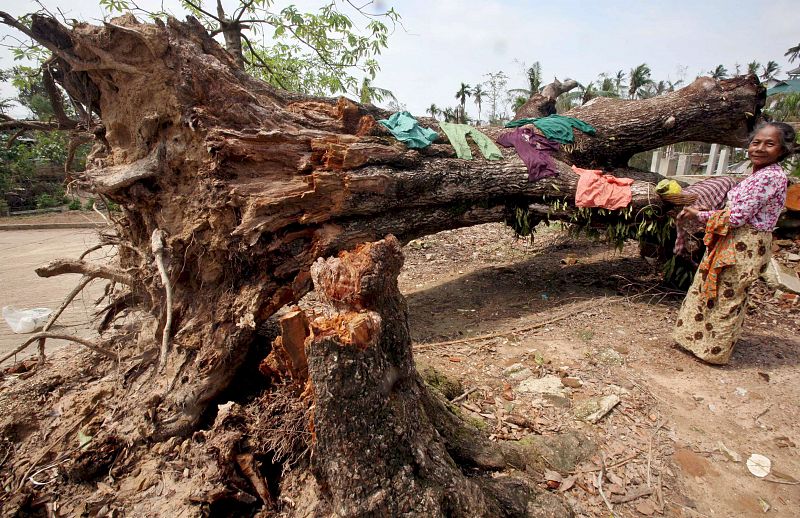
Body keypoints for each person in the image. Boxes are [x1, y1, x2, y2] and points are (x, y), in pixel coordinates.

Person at [672, 121, 796, 364]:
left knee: (727, 295)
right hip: (735, 240)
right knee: (712, 289)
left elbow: (737, 217)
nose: (759, 148)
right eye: (755, 142)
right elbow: (740, 209)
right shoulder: (761, 174)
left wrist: (699, 215)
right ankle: (697, 342)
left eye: (769, 144)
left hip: (743, 244)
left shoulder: (770, 177)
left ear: (782, 150)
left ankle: (714, 351)